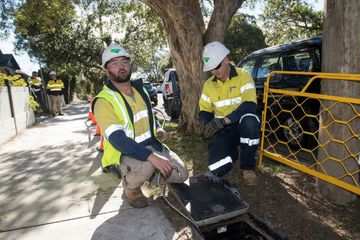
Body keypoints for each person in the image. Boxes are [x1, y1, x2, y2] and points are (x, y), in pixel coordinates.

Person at [92, 43, 189, 208]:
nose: (121, 67)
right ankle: (131, 188)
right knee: (146, 164)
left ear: (130, 65)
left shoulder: (141, 90)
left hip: (151, 145)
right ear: (106, 71)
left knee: (182, 175)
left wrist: (157, 127)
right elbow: (118, 139)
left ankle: (151, 173)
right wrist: (152, 157)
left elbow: (149, 116)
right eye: (114, 64)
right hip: (124, 152)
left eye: (124, 62)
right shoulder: (103, 100)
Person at [198, 41, 260, 186]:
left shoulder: (243, 76)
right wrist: (206, 123)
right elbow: (205, 110)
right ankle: (231, 152)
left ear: (226, 59)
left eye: (217, 66)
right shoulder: (208, 85)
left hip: (242, 125)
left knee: (251, 122)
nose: (214, 72)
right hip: (224, 130)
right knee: (216, 169)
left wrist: (225, 120)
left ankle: (248, 167)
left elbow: (250, 105)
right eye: (211, 69)